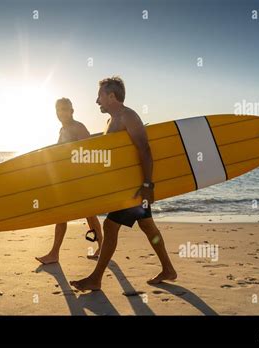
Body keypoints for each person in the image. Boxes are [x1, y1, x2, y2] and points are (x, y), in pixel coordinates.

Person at [70, 77, 177, 291]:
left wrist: (148, 185)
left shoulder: (128, 116)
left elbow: (145, 149)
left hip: (135, 187)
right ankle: (168, 269)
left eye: (100, 95)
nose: (96, 100)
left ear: (111, 96)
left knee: (110, 226)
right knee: (147, 226)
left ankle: (95, 278)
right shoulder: (111, 120)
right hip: (128, 185)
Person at [36, 98, 103, 264]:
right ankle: (102, 248)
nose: (62, 112)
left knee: (64, 214)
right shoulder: (64, 129)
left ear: (72, 111)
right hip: (70, 180)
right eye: (59, 109)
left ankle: (54, 254)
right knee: (89, 214)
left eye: (65, 109)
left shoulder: (77, 127)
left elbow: (90, 150)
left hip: (79, 180)